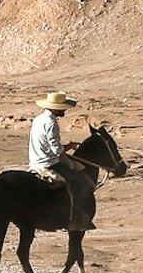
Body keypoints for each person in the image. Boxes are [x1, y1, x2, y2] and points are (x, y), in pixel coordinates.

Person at [28, 89, 95, 232]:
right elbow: (57, 151)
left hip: (35, 161)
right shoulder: (51, 122)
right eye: (63, 107)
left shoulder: (38, 119)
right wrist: (69, 163)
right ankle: (76, 219)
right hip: (49, 163)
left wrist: (67, 146)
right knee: (83, 184)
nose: (64, 110)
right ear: (56, 109)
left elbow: (48, 144)